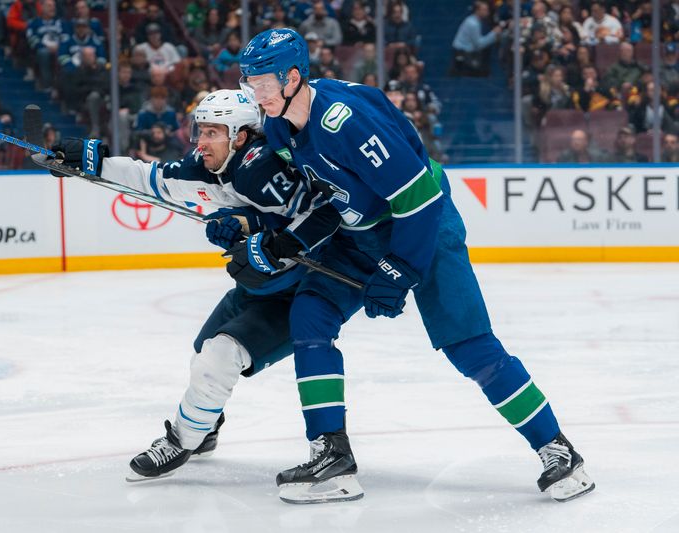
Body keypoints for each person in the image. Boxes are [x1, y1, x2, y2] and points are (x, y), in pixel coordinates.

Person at [237, 27, 595, 504]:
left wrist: (398, 269)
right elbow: (336, 197)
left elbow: (419, 198)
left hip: (425, 228)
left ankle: (558, 449)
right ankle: (332, 456)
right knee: (311, 315)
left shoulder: (346, 123)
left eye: (262, 82)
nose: (255, 94)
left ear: (293, 77)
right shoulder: (282, 127)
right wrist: (289, 240)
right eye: (249, 82)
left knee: (470, 347)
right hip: (361, 232)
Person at [45, 89, 341, 482]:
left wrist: (246, 225)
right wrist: (93, 161)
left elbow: (319, 218)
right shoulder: (213, 163)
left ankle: (183, 439)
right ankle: (206, 428)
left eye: (212, 132)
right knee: (204, 349)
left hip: (297, 289)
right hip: (259, 285)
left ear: (240, 136)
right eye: (200, 131)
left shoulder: (264, 167)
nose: (201, 142)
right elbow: (153, 178)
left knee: (219, 356)